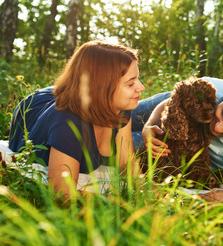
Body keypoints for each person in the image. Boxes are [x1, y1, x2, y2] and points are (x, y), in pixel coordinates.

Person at [9, 40, 145, 198]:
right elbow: (62, 194)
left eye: (138, 79)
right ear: (103, 87)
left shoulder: (119, 106)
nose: (141, 87)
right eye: (130, 84)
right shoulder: (67, 124)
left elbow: (125, 161)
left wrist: (150, 190)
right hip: (32, 109)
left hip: (80, 97)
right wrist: (119, 203)